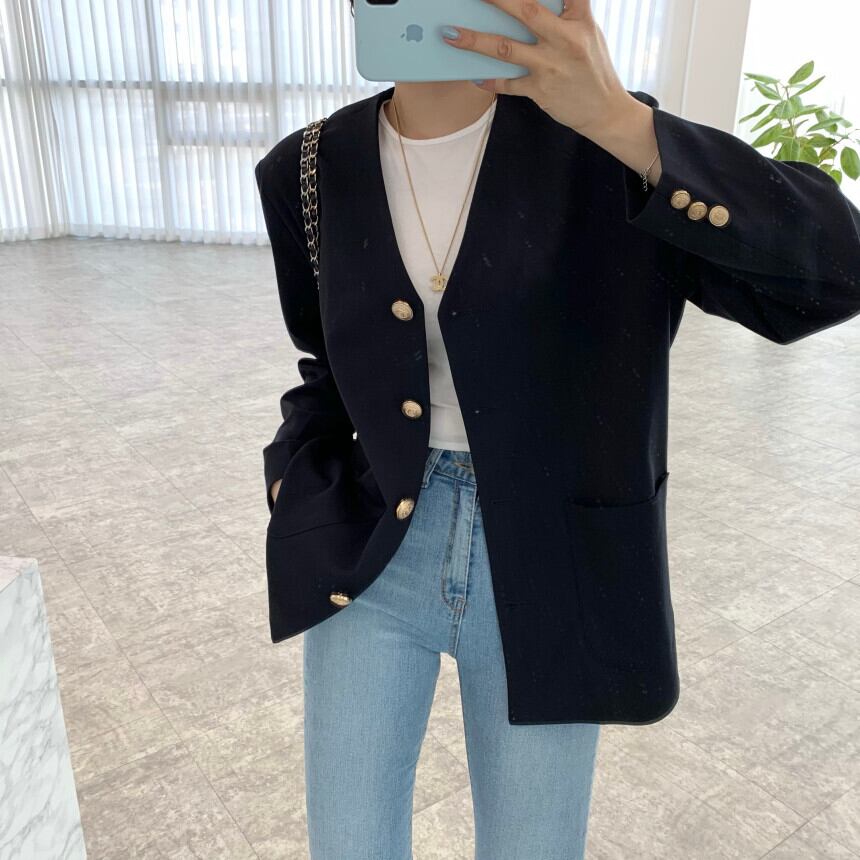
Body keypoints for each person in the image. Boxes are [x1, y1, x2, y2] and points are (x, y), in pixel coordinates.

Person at [255, 1, 860, 857]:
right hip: (373, 547)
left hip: (556, 557)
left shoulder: (608, 147)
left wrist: (621, 121)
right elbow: (325, 361)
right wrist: (292, 474)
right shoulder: (309, 168)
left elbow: (835, 274)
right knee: (348, 842)